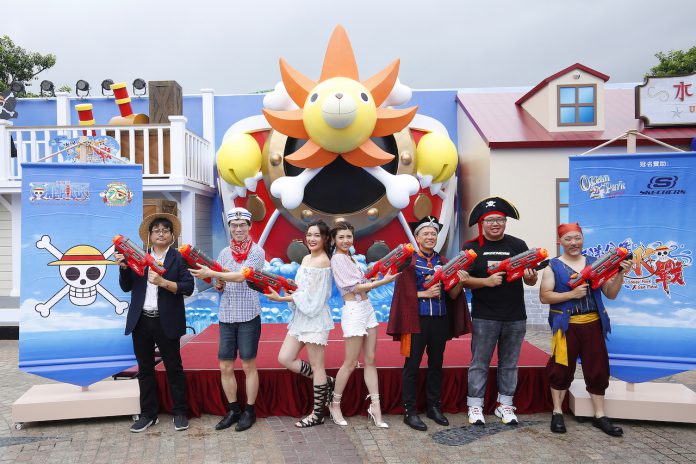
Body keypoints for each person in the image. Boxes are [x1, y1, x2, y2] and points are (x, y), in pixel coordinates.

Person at [539, 223, 631, 437]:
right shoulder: (552, 266)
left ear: (582, 239)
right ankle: (557, 412)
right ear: (560, 241)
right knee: (561, 369)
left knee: (598, 368)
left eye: (577, 238)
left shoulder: (596, 263)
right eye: (568, 239)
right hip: (565, 326)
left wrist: (620, 274)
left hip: (593, 323)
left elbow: (610, 294)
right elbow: (545, 296)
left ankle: (600, 415)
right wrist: (571, 294)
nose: (574, 243)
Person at [387, 216, 472, 431]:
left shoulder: (444, 262)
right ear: (416, 237)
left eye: (433, 234)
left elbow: (453, 295)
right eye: (425, 233)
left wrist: (460, 282)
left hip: (440, 321)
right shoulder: (408, 262)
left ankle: (434, 407)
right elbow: (401, 294)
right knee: (412, 366)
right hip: (416, 322)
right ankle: (410, 411)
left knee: (436, 365)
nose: (430, 237)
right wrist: (424, 293)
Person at [461, 197, 538, 426]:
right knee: (479, 363)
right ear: (482, 223)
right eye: (490, 220)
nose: (495, 224)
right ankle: (475, 405)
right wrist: (486, 282)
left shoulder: (518, 245)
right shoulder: (471, 248)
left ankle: (505, 404)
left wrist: (531, 278)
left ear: (505, 222)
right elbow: (463, 280)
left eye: (500, 220)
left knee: (510, 363)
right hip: (485, 316)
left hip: (515, 315)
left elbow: (530, 280)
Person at [116, 213, 194, 433]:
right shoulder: (137, 257)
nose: (161, 233)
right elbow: (126, 287)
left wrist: (163, 282)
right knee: (145, 370)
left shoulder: (178, 259)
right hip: (141, 321)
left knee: (174, 368)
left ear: (172, 236)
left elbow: (188, 287)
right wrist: (123, 268)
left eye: (165, 230)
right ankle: (148, 414)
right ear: (149, 236)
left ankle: (180, 412)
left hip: (166, 320)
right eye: (156, 230)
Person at [189, 207, 264, 432]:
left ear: (249, 227)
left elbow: (242, 276)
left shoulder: (257, 252)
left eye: (242, 225)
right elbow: (219, 284)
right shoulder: (224, 253)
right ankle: (233, 410)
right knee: (225, 365)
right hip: (227, 315)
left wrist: (213, 274)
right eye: (234, 225)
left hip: (249, 314)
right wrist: (218, 282)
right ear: (229, 228)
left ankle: (250, 410)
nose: (238, 229)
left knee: (248, 365)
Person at [327, 221, 397, 428]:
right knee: (350, 363)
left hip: (367, 309)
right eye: (341, 237)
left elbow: (364, 283)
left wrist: (375, 275)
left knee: (370, 360)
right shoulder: (337, 259)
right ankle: (334, 404)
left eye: (349, 236)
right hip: (354, 311)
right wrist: (383, 281)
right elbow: (354, 287)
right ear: (333, 240)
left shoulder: (352, 258)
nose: (345, 240)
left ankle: (376, 407)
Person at [265, 220, 335, 428]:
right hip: (301, 317)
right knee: (285, 358)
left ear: (325, 239)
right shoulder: (306, 258)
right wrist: (290, 289)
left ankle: (317, 413)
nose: (312, 239)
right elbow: (302, 290)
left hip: (315, 318)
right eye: (309, 235)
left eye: (317, 235)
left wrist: (282, 298)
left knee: (317, 365)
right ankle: (326, 382)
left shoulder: (322, 262)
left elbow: (314, 298)